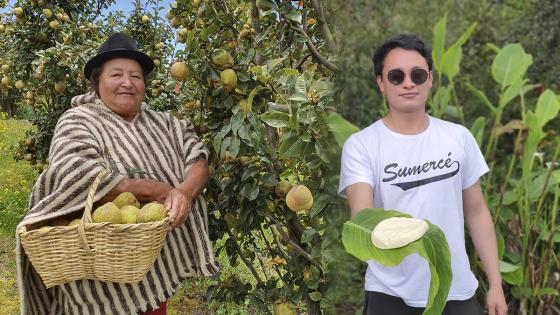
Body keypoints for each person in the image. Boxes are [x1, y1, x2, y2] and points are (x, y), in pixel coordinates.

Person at [15, 32, 218, 315]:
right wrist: (158, 190)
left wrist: (183, 191)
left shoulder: (166, 124)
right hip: (96, 276)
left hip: (152, 265)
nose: (127, 83)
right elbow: (78, 175)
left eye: (136, 76)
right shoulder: (78, 120)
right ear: (97, 81)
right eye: (116, 75)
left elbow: (198, 160)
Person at [338, 34, 508, 315]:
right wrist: (415, 233)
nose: (408, 83)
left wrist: (496, 284)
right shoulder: (362, 145)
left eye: (417, 75)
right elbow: (362, 219)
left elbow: (477, 212)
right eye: (396, 76)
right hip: (390, 295)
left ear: (429, 79)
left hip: (457, 292)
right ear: (381, 83)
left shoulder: (459, 137)